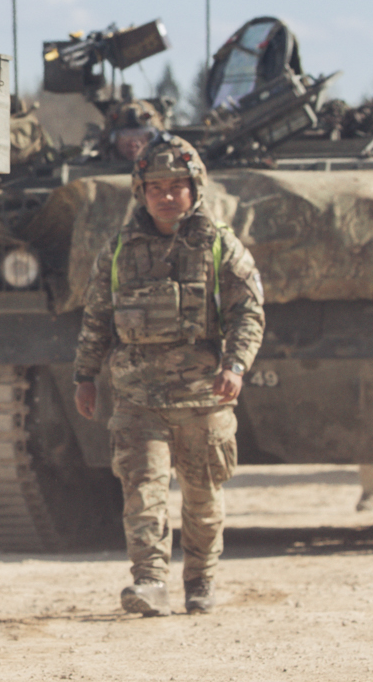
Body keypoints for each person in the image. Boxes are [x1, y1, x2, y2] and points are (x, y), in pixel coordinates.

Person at [73, 134, 265, 615]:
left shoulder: (219, 245)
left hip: (204, 399)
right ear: (140, 192)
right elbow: (97, 315)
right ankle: (150, 581)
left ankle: (200, 581)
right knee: (144, 497)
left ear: (195, 188)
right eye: (155, 186)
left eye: (175, 186)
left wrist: (236, 365)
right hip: (138, 398)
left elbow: (249, 312)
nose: (165, 195)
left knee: (202, 500)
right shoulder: (117, 251)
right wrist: (85, 375)